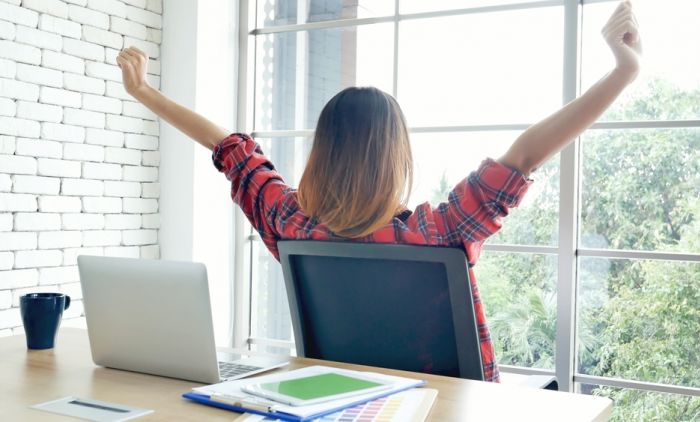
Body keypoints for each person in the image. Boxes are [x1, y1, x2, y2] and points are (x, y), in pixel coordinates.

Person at [117, 1, 641, 382]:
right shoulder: (438, 232)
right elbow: (526, 154)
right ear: (398, 158)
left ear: (322, 152)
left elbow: (229, 146)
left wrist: (144, 92)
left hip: (346, 404)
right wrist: (625, 70)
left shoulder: (290, 223)